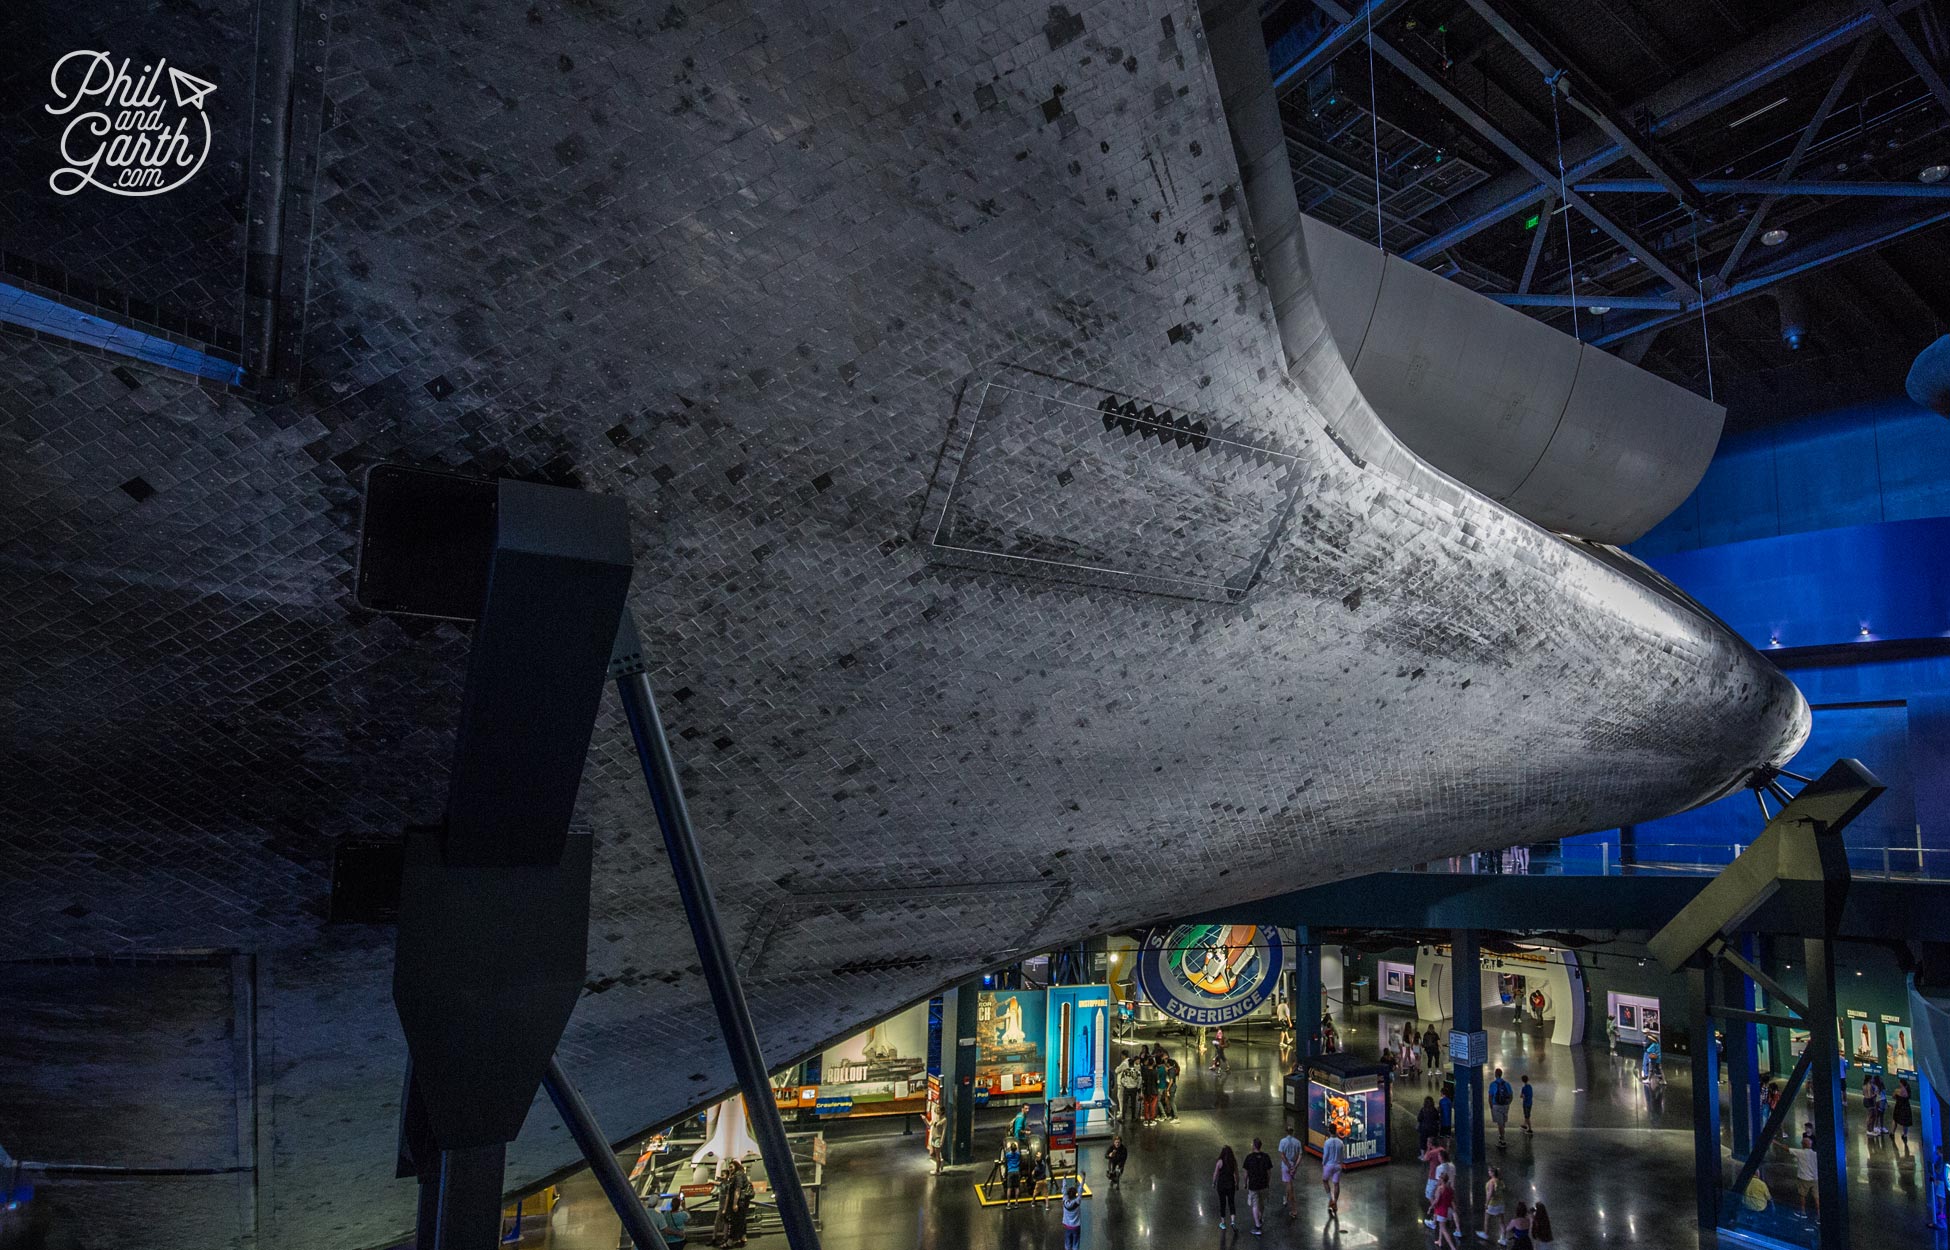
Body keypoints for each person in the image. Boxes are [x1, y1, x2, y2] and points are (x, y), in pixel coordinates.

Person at [715, 1159, 754, 1248]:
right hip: (742, 1202)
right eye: (729, 1167)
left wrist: (734, 1204)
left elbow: (737, 1190)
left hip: (740, 1202)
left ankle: (730, 1241)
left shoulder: (738, 1175)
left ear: (736, 1166)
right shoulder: (737, 1175)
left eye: (731, 1167)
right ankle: (743, 1238)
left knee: (735, 1221)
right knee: (741, 1220)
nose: (730, 1169)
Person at [1244, 1136, 1274, 1234]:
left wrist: (1245, 1183)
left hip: (1253, 1185)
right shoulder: (1266, 1157)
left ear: (1253, 1146)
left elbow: (1246, 1173)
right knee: (1262, 1203)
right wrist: (1268, 1183)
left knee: (1255, 1205)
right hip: (1264, 1184)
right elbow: (1269, 1172)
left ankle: (1257, 1226)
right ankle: (1260, 1217)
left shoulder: (1249, 1158)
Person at [1278, 1124, 1304, 1216]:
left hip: (1286, 1166)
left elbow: (1282, 1155)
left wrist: (1288, 1166)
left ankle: (1294, 1209)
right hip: (1293, 1165)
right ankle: (1286, 1197)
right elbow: (1300, 1155)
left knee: (1289, 1186)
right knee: (1289, 1182)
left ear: (1286, 1131)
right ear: (1293, 1131)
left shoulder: (1282, 1141)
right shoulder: (1297, 1142)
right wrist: (1295, 1166)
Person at [1320, 1125, 1346, 1218]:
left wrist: (1323, 1163)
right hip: (1338, 1165)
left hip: (1329, 1164)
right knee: (1336, 1184)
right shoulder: (1340, 1142)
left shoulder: (1327, 1142)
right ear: (1336, 1131)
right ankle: (1335, 1202)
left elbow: (1326, 1155)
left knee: (1325, 1180)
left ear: (1329, 1131)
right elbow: (1342, 1155)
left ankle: (1330, 1199)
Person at [1430, 1173, 1460, 1249]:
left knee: (1444, 1230)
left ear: (1442, 1180)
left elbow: (1436, 1200)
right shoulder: (1450, 1189)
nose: (1438, 1179)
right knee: (1441, 1226)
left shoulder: (1440, 1189)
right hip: (1447, 1210)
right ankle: (1440, 1241)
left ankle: (1452, 1247)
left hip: (1440, 1211)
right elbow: (1453, 1199)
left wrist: (1430, 1207)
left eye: (1440, 1178)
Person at [1214, 1144, 1240, 1230]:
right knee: (1231, 1203)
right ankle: (1232, 1221)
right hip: (1230, 1185)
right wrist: (1237, 1184)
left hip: (1221, 1185)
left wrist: (1213, 1183)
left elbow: (1215, 1174)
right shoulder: (1233, 1161)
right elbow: (1236, 1174)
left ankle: (1223, 1223)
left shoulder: (1220, 1162)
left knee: (1222, 1203)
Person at [1421, 1138, 1447, 1224]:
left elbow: (1424, 1159)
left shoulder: (1432, 1153)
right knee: (1438, 1195)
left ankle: (1436, 1211)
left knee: (1429, 1195)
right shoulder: (1442, 1149)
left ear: (1430, 1143)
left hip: (1432, 1177)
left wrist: (1428, 1149)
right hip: (1441, 1178)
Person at [1488, 1068, 1514, 1147]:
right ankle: (1502, 1134)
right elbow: (1511, 1095)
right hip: (1505, 1105)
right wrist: (1508, 1103)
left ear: (1495, 1074)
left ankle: (1502, 1140)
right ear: (1501, 1074)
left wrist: (1491, 1106)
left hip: (1496, 1105)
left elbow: (1490, 1097)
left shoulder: (1493, 1084)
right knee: (1503, 1121)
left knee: (1500, 1123)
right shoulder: (1507, 1084)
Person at [1480, 1166, 1507, 1243]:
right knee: (1502, 1221)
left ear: (1492, 1173)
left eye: (1489, 1171)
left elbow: (1490, 1193)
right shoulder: (1500, 1181)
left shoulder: (1491, 1182)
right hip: (1501, 1204)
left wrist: (1486, 1203)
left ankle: (1485, 1233)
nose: (1488, 1172)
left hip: (1492, 1204)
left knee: (1487, 1219)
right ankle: (1503, 1238)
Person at [1115, 1051, 1142, 1126]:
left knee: (1125, 1103)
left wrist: (1125, 1085)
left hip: (1127, 1089)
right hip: (1134, 1089)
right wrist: (1138, 1088)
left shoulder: (1125, 1071)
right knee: (1133, 1104)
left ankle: (1123, 1118)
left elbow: (1122, 1080)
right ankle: (1133, 1117)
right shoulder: (1137, 1072)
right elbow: (1139, 1080)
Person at [1061, 1177, 1084, 1249]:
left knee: (1068, 1242)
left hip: (1067, 1226)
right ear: (1075, 1194)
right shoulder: (1077, 1201)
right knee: (1076, 1242)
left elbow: (1064, 1190)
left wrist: (1064, 1178)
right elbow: (1080, 1191)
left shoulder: (1064, 1200)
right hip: (1076, 1226)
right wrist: (1083, 1179)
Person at [1140, 1051, 1159, 1124]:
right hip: (1154, 1091)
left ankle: (1146, 1119)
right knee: (1153, 1105)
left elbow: (1143, 1081)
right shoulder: (1155, 1072)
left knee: (1146, 1105)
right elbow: (1157, 1082)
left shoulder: (1144, 1072)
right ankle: (1152, 1119)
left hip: (1146, 1091)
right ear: (1153, 1063)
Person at [1895, 1079, 1915, 1146]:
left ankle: (1895, 1133)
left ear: (1901, 1083)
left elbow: (1894, 1096)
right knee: (1906, 1122)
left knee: (1899, 1119)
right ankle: (1905, 1134)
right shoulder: (1908, 1090)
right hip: (1907, 1106)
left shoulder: (1899, 1090)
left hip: (1900, 1107)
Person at [1162, 1051, 1181, 1120]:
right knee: (1170, 1101)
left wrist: (1167, 1089)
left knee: (1172, 1101)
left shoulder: (1172, 1071)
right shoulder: (1172, 1069)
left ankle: (1176, 1116)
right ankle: (1172, 1114)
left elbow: (1171, 1081)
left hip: (1171, 1087)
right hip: (1171, 1087)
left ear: (1169, 1064)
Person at [927, 1110, 946, 1175]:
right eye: (936, 1109)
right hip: (933, 1137)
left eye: (939, 1109)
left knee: (937, 1155)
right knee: (932, 1153)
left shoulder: (944, 1120)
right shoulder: (934, 1117)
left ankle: (937, 1170)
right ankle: (940, 1161)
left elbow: (944, 1131)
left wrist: (941, 1140)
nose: (937, 1111)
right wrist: (924, 1119)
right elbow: (929, 1125)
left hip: (938, 1138)